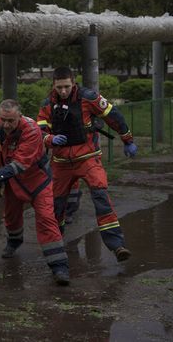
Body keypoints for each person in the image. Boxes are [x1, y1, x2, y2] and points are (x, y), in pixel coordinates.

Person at [37, 67, 137, 262]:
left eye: (66, 86)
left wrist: (128, 140)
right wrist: (49, 139)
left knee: (101, 196)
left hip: (88, 158)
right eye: (59, 87)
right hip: (61, 163)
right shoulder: (48, 104)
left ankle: (117, 246)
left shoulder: (88, 98)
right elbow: (38, 131)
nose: (63, 91)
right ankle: (56, 247)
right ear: (54, 85)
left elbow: (113, 116)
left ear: (74, 83)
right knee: (56, 206)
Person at [0, 99, 70, 285]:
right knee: (11, 217)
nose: (6, 124)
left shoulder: (31, 130)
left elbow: (20, 164)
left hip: (37, 181)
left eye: (11, 120)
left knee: (46, 219)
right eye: (3, 119)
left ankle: (59, 267)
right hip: (10, 181)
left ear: (20, 116)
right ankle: (14, 242)